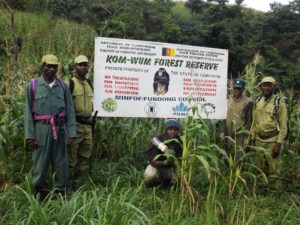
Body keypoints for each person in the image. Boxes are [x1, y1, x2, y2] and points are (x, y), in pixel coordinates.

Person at [25, 54, 76, 198]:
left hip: (60, 129)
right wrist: (30, 135)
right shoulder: (34, 85)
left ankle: (60, 192)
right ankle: (39, 193)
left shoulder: (62, 86)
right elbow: (28, 112)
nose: (51, 69)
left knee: (61, 163)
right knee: (40, 163)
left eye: (54, 66)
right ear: (42, 66)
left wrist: (71, 133)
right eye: (48, 66)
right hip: (41, 129)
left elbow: (70, 111)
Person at [250, 76, 288, 189]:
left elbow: (283, 126)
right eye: (264, 85)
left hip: (272, 141)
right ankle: (262, 191)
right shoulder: (257, 101)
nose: (266, 87)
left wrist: (278, 143)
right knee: (260, 168)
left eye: (269, 85)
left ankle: (273, 193)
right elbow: (253, 123)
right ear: (261, 87)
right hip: (258, 141)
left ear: (273, 87)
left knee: (273, 170)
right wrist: (252, 139)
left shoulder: (279, 102)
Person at [67, 55, 94, 191]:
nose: (83, 67)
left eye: (85, 65)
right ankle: (69, 187)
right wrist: (68, 131)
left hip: (88, 127)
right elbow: (66, 108)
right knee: (72, 158)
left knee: (85, 157)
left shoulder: (89, 83)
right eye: (80, 65)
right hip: (75, 126)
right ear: (75, 67)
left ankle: (81, 184)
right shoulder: (71, 84)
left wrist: (93, 129)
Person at [221, 78, 253, 161]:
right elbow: (224, 118)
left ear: (243, 89)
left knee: (238, 160)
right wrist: (223, 134)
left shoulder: (248, 102)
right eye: (235, 88)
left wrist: (247, 139)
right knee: (227, 159)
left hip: (239, 137)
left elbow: (249, 122)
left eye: (239, 89)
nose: (236, 91)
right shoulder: (228, 100)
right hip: (228, 135)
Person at [144, 120, 183, 188]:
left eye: (175, 130)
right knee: (150, 176)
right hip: (156, 167)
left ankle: (166, 185)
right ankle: (151, 186)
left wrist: (174, 160)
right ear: (166, 130)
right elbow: (152, 161)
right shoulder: (157, 140)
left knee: (179, 177)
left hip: (170, 168)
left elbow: (181, 160)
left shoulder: (179, 142)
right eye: (170, 129)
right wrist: (165, 162)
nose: (173, 132)